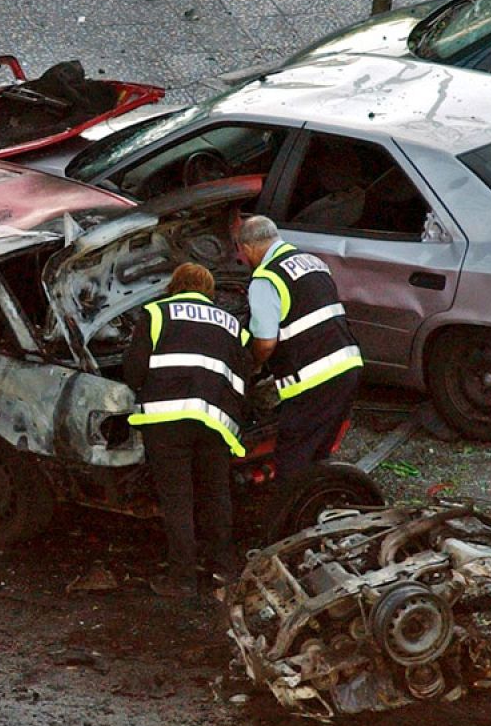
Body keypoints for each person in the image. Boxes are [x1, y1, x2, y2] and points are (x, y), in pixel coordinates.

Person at [123, 262, 248, 585]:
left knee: (178, 498)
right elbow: (244, 370)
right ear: (208, 291)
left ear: (174, 286)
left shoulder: (156, 313)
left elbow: (134, 372)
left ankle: (182, 578)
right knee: (216, 493)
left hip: (167, 421)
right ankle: (223, 568)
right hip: (215, 421)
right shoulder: (231, 323)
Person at [235, 216, 363, 479]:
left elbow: (266, 341)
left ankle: (290, 514)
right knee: (318, 453)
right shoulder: (312, 262)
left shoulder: (265, 278)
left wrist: (253, 366)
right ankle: (319, 503)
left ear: (248, 248)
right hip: (348, 367)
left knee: (293, 456)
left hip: (314, 380)